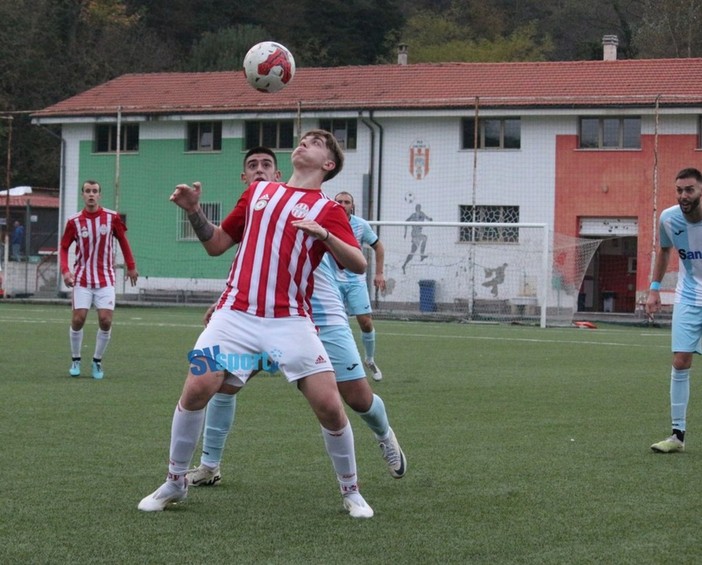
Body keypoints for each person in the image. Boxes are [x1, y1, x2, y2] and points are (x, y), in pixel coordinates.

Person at [138, 130, 374, 518]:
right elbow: (216, 244)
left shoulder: (329, 210)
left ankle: (352, 492)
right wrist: (195, 212)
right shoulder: (258, 192)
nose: (303, 143)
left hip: (291, 322)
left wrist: (326, 235)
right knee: (197, 385)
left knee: (330, 406)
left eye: (315, 142)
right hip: (233, 315)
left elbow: (359, 264)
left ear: (328, 164)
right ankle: (174, 482)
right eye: (302, 139)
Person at [186, 149, 406, 491]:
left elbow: (353, 260)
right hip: (261, 316)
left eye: (266, 166)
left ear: (279, 175)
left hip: (320, 316)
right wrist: (226, 304)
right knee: (224, 384)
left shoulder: (316, 207)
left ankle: (384, 435)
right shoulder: (256, 208)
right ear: (243, 178)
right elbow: (251, 268)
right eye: (252, 167)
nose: (259, 172)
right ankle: (209, 465)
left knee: (356, 398)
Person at [647, 167, 702, 453]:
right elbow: (665, 251)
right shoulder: (668, 219)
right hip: (689, 297)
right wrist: (654, 288)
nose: (683, 196)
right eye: (679, 190)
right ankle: (677, 436)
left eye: (689, 190)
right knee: (680, 362)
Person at [59, 180, 138, 379]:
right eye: (87, 191)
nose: (91, 194)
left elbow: (123, 241)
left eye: (94, 191)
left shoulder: (112, 218)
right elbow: (63, 247)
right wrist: (66, 271)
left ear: (100, 195)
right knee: (78, 319)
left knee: (105, 320)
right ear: (82, 195)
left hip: (105, 279)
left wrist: (131, 266)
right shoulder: (74, 221)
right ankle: (75, 360)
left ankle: (97, 362)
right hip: (83, 279)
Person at [332, 191, 385, 381]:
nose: (343, 204)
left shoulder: (361, 225)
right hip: (332, 281)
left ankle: (369, 359)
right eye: (339, 201)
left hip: (355, 281)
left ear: (352, 206)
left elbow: (379, 247)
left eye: (346, 202)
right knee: (335, 324)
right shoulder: (325, 222)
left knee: (365, 322)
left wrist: (379, 273)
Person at [402, 204, 432, 274]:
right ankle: (421, 255)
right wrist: (405, 233)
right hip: (415, 235)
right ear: (415, 208)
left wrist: (430, 219)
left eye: (419, 207)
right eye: (417, 207)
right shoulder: (413, 215)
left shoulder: (422, 214)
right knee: (424, 238)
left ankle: (404, 265)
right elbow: (406, 221)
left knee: (412, 253)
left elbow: (428, 218)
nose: (418, 208)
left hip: (418, 234)